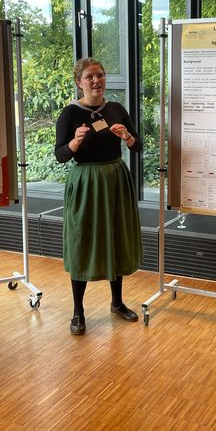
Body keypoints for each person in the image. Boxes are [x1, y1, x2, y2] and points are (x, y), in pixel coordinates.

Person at [55, 58, 143, 335]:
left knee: (116, 237)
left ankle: (116, 303)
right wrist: (74, 142)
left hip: (116, 179)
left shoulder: (116, 109)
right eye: (90, 76)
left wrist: (127, 136)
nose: (97, 81)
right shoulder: (69, 114)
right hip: (85, 182)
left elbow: (137, 145)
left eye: (100, 75)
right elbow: (60, 155)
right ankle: (78, 312)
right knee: (82, 240)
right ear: (79, 82)